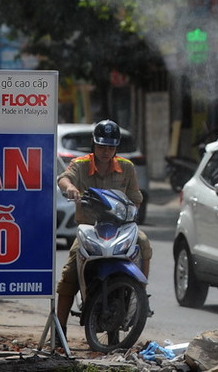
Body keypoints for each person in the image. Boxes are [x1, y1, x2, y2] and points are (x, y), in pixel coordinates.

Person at [55, 119, 152, 337]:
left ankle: (141, 294)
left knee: (144, 242)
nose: (106, 151)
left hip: (120, 228)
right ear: (94, 144)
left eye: (110, 147)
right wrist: (70, 189)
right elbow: (64, 179)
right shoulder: (80, 164)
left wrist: (130, 213)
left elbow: (136, 198)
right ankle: (59, 330)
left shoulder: (127, 168)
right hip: (90, 229)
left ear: (116, 147)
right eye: (102, 146)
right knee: (70, 272)